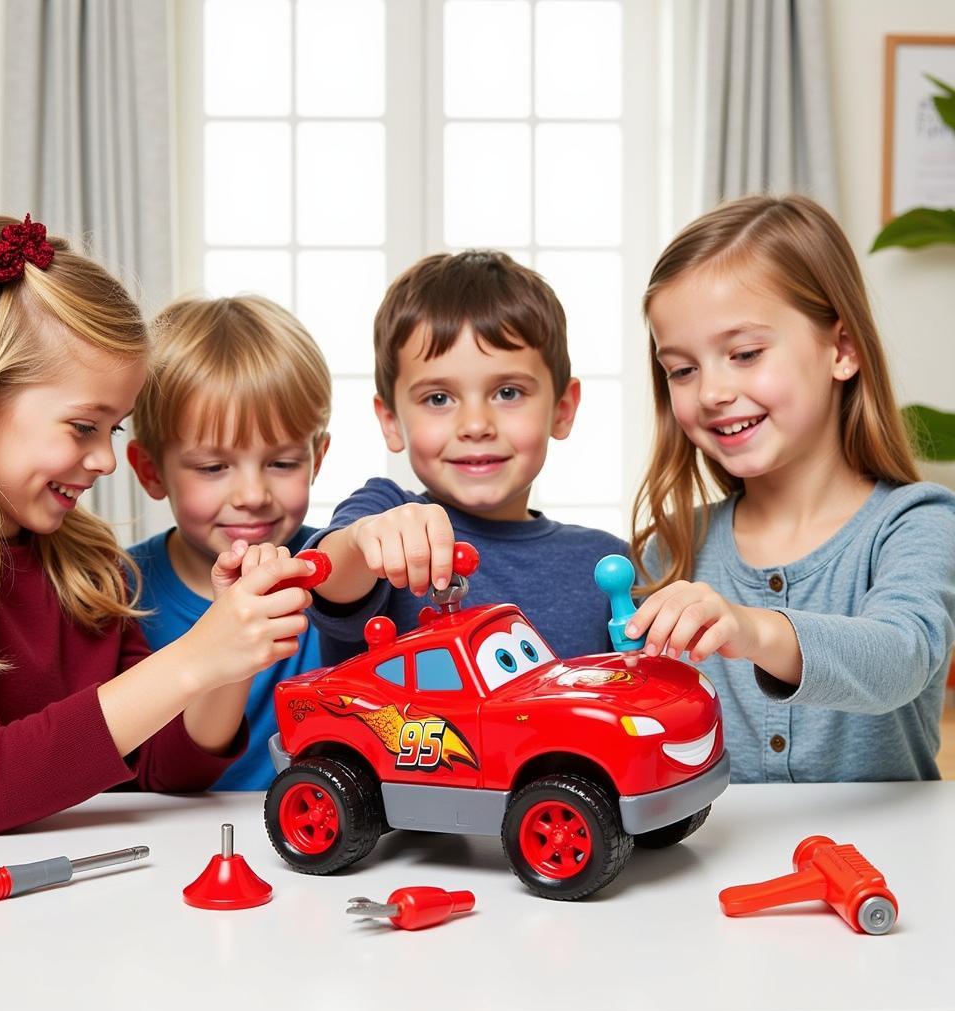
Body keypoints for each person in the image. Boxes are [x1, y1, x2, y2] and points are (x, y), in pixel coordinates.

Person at [0, 215, 315, 834]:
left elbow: (167, 769)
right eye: (85, 426)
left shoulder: (87, 569)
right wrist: (195, 657)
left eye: (114, 430)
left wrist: (226, 658)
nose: (108, 460)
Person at [626, 194, 955, 782]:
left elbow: (901, 657)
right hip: (718, 871)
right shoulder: (670, 549)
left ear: (843, 349)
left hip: (892, 868)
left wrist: (753, 628)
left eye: (745, 353)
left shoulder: (917, 522)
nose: (711, 393)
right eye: (682, 369)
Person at [308, 250, 627, 665]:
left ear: (562, 409)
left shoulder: (607, 564)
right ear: (390, 422)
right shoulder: (385, 511)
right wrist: (364, 540)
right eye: (438, 398)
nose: (475, 424)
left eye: (508, 392)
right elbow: (330, 577)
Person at [127, 296, 331, 789]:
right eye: (213, 468)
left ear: (317, 458)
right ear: (151, 471)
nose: (253, 496)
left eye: (282, 463)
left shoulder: (337, 578)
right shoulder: (116, 594)